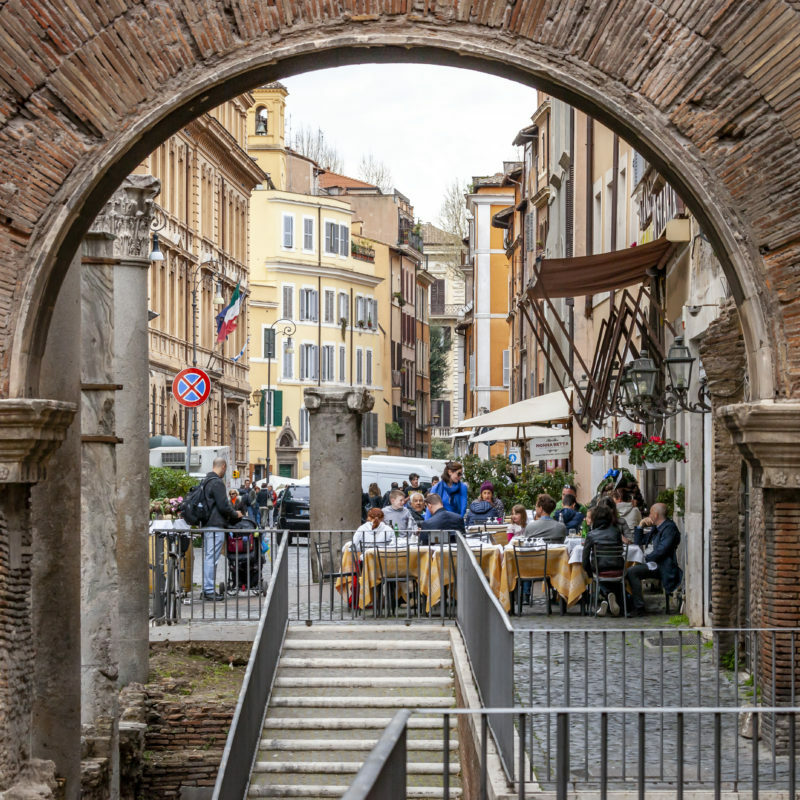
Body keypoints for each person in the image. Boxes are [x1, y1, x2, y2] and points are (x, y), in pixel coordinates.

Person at [627, 502, 683, 616]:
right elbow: (639, 542)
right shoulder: (656, 528)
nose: (649, 515)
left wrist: (646, 559)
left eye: (651, 513)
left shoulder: (669, 528)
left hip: (662, 566)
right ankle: (630, 604)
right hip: (652, 563)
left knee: (632, 571)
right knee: (630, 570)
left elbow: (662, 550)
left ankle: (639, 607)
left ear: (656, 515)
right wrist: (640, 526)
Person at [202, 458, 242, 600]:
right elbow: (223, 505)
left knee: (208, 557)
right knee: (211, 558)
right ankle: (208, 590)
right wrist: (235, 514)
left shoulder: (206, 481)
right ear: (223, 467)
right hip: (215, 524)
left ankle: (206, 589)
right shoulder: (217, 483)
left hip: (207, 524)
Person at [581, 503, 625, 617]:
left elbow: (584, 559)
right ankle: (609, 599)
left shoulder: (591, 535)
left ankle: (606, 596)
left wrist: (589, 573)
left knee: (599, 577)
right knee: (611, 579)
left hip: (600, 569)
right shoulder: (616, 532)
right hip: (618, 568)